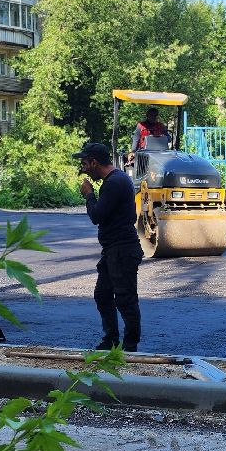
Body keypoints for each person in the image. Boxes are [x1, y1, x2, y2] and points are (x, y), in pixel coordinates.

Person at [75, 142, 143, 352]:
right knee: (103, 294)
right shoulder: (115, 179)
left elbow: (96, 216)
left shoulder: (114, 182)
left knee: (125, 298)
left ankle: (130, 347)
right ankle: (111, 340)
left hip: (122, 249)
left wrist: (89, 194)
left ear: (94, 162)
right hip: (114, 249)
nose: (83, 169)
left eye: (85, 164)